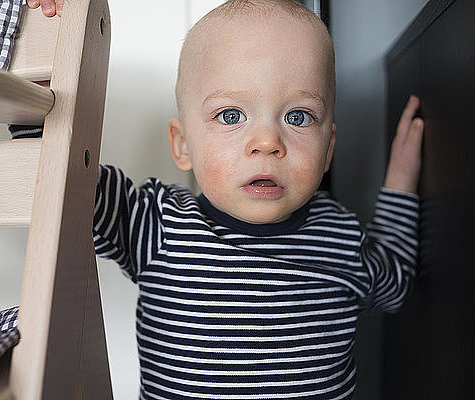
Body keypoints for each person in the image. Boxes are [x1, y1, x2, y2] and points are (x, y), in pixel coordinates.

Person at [27, 0, 424, 398]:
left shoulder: (340, 236)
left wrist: (401, 180)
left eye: (298, 117)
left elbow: (394, 281)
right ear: (183, 145)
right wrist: (42, 72)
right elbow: (63, 184)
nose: (267, 143)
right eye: (231, 116)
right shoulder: (157, 222)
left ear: (328, 150)